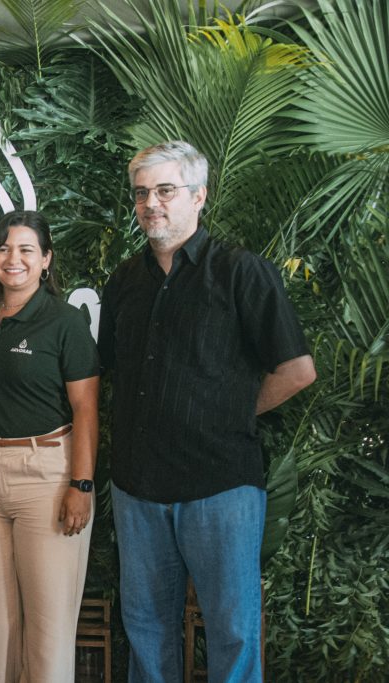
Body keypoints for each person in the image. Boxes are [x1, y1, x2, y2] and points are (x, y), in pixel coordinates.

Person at [99, 140, 316, 681]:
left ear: (199, 196)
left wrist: (228, 415)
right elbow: (111, 372)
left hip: (220, 486)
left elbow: (297, 370)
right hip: (138, 487)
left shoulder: (243, 272)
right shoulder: (124, 282)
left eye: (166, 190)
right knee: (146, 629)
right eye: (142, 193)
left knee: (233, 631)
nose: (152, 203)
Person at [0, 209, 99, 682]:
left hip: (47, 476)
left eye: (25, 250)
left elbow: (86, 410)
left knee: (47, 630)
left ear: (46, 261)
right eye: (2, 248)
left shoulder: (64, 321)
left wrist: (81, 483)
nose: (12, 258)